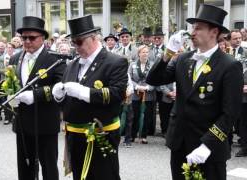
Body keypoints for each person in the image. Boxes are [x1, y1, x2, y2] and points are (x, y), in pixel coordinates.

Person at [146, 4, 243, 180]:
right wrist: (168, 53)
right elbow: (153, 80)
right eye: (192, 27)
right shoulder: (184, 59)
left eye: (198, 28)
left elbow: (230, 113)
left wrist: (207, 145)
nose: (192, 32)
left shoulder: (230, 65)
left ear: (214, 32)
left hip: (208, 148)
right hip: (180, 142)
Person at [52, 15, 128, 180]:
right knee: (80, 177)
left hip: (101, 134)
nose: (75, 47)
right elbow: (67, 100)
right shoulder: (72, 64)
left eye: (78, 42)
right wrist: (59, 97)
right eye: (73, 43)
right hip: (75, 135)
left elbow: (117, 94)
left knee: (105, 175)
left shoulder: (115, 62)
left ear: (93, 38)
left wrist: (83, 92)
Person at [9, 16, 65, 180]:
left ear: (42, 38)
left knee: (48, 167)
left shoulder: (55, 59)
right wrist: (10, 95)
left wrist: (35, 95)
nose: (27, 41)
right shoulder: (15, 59)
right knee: (25, 167)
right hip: (22, 122)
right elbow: (10, 84)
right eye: (24, 37)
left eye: (31, 37)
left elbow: (59, 88)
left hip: (45, 122)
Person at [129, 45, 156, 144]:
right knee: (135, 115)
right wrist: (137, 87)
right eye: (143, 52)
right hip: (136, 94)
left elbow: (155, 79)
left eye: (147, 52)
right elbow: (129, 79)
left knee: (147, 116)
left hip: (148, 94)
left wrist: (148, 88)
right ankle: (132, 135)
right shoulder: (132, 65)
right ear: (139, 53)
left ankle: (144, 136)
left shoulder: (153, 65)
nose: (145, 54)